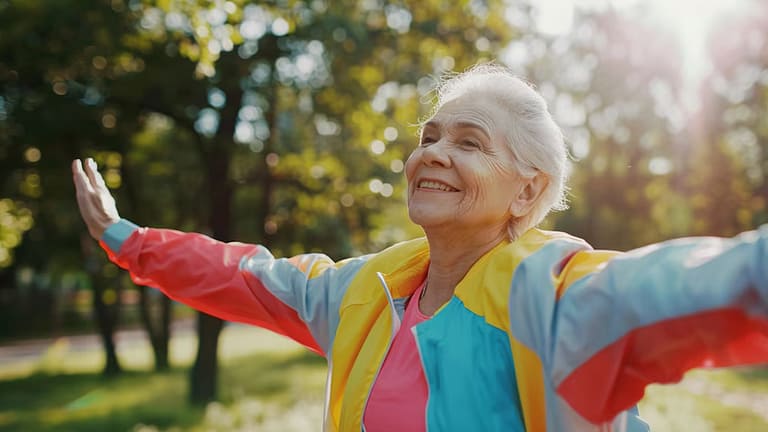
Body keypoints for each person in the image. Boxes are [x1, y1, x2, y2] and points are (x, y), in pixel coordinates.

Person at [72, 63, 768, 432]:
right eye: (430, 137)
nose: (431, 154)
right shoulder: (365, 291)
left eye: (468, 142)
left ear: (527, 192)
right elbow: (244, 277)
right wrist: (126, 239)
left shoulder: (560, 297)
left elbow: (720, 281)